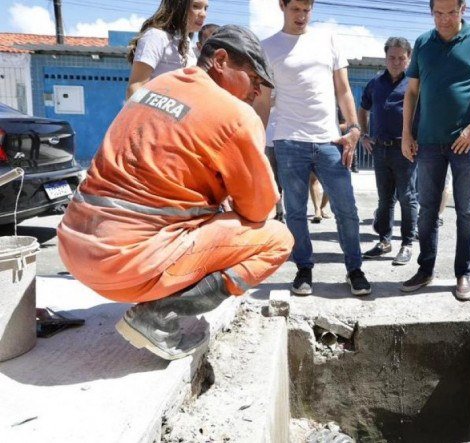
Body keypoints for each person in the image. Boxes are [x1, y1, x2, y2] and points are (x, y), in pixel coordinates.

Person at [58, 26, 294, 360]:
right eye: (255, 79)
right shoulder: (236, 115)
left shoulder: (155, 86)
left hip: (74, 249)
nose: (257, 93)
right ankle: (157, 315)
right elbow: (258, 210)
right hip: (125, 265)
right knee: (277, 239)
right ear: (221, 60)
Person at [255, 0, 371, 297]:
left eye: (307, 9)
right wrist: (255, 140)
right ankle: (303, 268)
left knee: (347, 209)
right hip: (289, 140)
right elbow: (264, 100)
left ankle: (354, 269)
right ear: (282, 5)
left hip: (330, 140)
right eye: (295, 9)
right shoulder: (267, 47)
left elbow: (343, 90)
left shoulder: (328, 39)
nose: (301, 16)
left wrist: (354, 127)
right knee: (294, 211)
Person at [400, 0, 470, 301]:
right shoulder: (423, 43)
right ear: (431, 12)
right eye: (438, 13)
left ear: (463, 9)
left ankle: (463, 273)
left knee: (466, 210)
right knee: (427, 211)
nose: (444, 19)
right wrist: (406, 133)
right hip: (428, 142)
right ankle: (425, 269)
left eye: (450, 12)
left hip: (466, 142)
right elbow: (411, 91)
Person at [359, 37, 418, 266]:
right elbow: (362, 110)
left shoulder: (414, 84)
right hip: (380, 150)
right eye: (391, 57)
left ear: (409, 59)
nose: (396, 62)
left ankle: (407, 244)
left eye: (401, 58)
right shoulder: (375, 83)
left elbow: (423, 115)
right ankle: (384, 241)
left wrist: (417, 139)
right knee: (385, 200)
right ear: (385, 57)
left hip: (405, 151)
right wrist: (364, 135)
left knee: (407, 197)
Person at [126, 0, 209, 99]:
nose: (203, 14)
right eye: (195, 6)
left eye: (205, 8)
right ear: (177, 6)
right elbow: (136, 86)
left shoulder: (186, 43)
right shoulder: (155, 36)